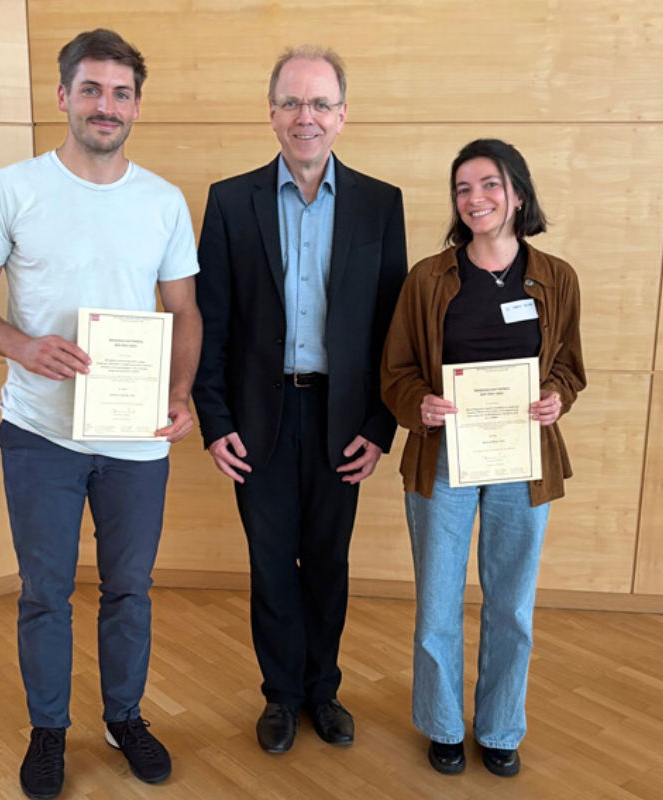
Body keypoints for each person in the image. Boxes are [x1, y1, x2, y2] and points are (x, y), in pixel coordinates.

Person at [0, 29, 201, 800]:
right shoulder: (10, 188)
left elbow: (183, 309)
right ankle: (48, 731)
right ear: (62, 96)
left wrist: (179, 394)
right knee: (44, 591)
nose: (105, 105)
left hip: (134, 440)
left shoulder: (162, 200)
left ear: (136, 106)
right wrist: (20, 344)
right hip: (38, 433)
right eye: (90, 89)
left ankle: (124, 717)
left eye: (120, 92)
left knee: (129, 587)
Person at [192, 45, 407, 753]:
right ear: (272, 113)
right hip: (259, 420)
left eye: (319, 104)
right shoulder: (230, 200)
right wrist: (214, 419)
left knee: (329, 561)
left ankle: (324, 690)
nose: (304, 117)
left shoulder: (382, 204)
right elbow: (211, 320)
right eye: (290, 102)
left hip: (342, 420)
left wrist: (380, 425)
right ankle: (281, 696)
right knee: (269, 561)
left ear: (341, 116)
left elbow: (391, 329)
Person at [381, 139, 585, 778]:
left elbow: (570, 370)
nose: (476, 199)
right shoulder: (427, 278)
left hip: (523, 462)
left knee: (511, 606)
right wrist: (423, 405)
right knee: (438, 601)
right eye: (464, 189)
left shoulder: (556, 277)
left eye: (490, 185)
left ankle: (500, 728)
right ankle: (442, 725)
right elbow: (394, 373)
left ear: (517, 194)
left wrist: (556, 398)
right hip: (443, 461)